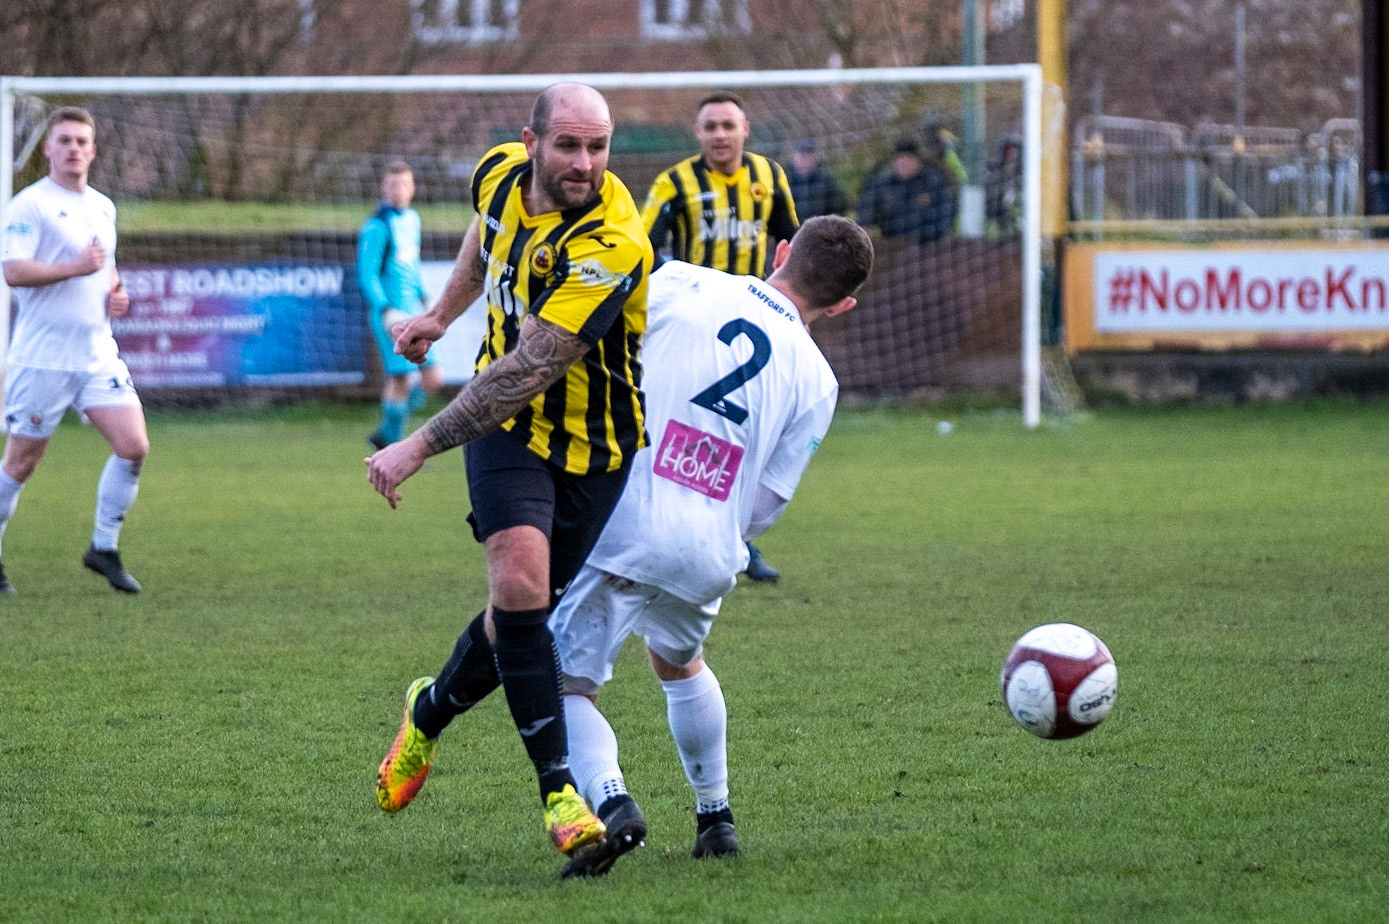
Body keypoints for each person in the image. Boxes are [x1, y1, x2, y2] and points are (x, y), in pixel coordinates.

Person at [365, 82, 653, 879]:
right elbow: (486, 236)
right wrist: (439, 314)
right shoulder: (496, 173)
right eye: (568, 145)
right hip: (507, 431)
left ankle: (428, 711)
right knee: (520, 586)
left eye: (598, 147)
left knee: (517, 618)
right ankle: (560, 795)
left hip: (595, 447)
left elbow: (530, 368)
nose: (585, 163)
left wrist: (418, 444)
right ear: (530, 143)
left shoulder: (612, 241)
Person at [548, 215, 874, 864]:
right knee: (679, 662)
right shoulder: (819, 380)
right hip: (710, 552)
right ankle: (715, 818)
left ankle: (612, 803)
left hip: (622, 525)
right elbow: (767, 505)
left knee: (559, 684)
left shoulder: (681, 280)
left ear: (781, 251)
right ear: (842, 305)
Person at [642, 89, 799, 584]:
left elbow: (792, 244)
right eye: (710, 126)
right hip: (696, 326)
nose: (719, 134)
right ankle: (664, 529)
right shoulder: (674, 183)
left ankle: (737, 542)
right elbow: (643, 248)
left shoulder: (769, 176)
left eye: (728, 125)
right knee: (685, 429)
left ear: (745, 130)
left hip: (754, 329)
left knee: (745, 436)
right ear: (697, 133)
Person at [0, 106, 148, 596]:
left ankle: (103, 547)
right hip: (43, 358)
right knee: (21, 463)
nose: (73, 149)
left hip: (97, 354)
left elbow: (106, 268)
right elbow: (14, 271)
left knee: (133, 446)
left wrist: (116, 293)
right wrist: (75, 268)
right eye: (64, 140)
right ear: (48, 149)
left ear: (93, 150)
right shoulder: (30, 205)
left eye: (82, 142)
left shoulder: (103, 207)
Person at [357, 159, 442, 450]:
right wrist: (384, 308)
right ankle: (392, 445)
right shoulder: (377, 226)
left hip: (414, 310)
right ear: (384, 187)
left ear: (413, 187)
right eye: (393, 184)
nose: (399, 190)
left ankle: (386, 434)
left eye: (404, 184)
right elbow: (367, 273)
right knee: (401, 378)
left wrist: (423, 294)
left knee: (433, 379)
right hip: (390, 314)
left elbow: (410, 266)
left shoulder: (413, 220)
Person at [857, 137, 958, 244]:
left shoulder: (933, 182)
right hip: (893, 243)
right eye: (900, 159)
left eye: (909, 159)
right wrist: (864, 226)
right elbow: (866, 209)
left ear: (918, 161)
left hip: (928, 244)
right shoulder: (882, 184)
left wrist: (935, 234)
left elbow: (947, 211)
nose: (904, 164)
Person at [786, 139, 848, 220]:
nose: (805, 158)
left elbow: (838, 206)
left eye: (808, 154)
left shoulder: (825, 180)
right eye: (801, 154)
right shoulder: (785, 180)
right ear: (794, 156)